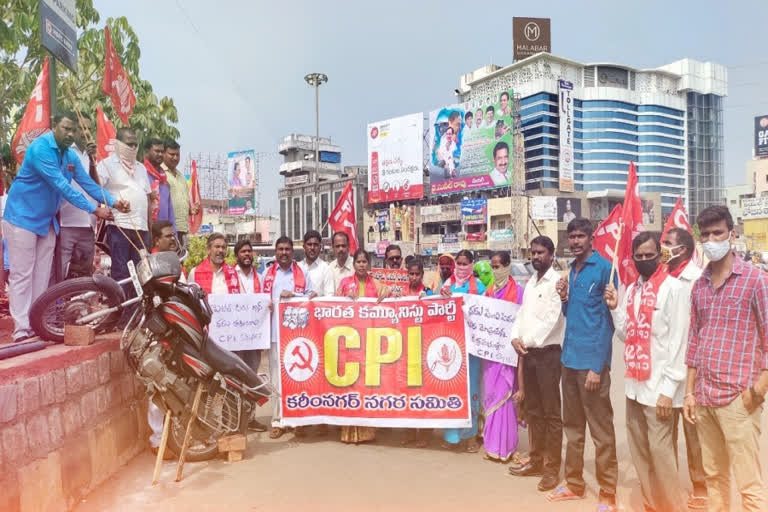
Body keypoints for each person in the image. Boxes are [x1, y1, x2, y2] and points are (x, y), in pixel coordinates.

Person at [3, 112, 127, 342]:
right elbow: (63, 187)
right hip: (22, 217)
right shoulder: (41, 149)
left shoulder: (69, 155)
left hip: (47, 220)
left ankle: (36, 324)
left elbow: (86, 183)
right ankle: (21, 328)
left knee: (42, 275)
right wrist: (95, 210)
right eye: (66, 128)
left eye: (74, 130)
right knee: (22, 274)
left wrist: (113, 201)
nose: (70, 134)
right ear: (53, 127)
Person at [683, 205, 768, 512]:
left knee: (749, 485)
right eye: (705, 234)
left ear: (732, 235)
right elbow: (694, 340)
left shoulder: (755, 280)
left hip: (738, 399)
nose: (711, 240)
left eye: (717, 233)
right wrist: (690, 392)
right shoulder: (699, 286)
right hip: (704, 398)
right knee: (715, 477)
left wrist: (758, 390)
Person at [604, 232, 688, 512]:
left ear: (660, 255)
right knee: (640, 454)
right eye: (637, 256)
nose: (643, 261)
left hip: (659, 389)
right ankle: (652, 505)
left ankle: (672, 507)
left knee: (662, 457)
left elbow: (679, 343)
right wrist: (616, 308)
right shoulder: (632, 290)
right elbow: (626, 334)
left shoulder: (674, 289)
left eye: (648, 256)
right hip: (634, 387)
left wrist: (668, 391)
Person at [549, 218, 618, 511]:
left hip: (591, 363)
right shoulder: (571, 271)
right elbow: (574, 314)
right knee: (573, 428)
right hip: (569, 359)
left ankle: (608, 492)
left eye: (580, 236)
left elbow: (608, 322)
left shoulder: (603, 269)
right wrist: (564, 298)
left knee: (601, 431)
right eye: (571, 236)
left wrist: (597, 365)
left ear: (591, 238)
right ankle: (575, 484)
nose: (575, 241)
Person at [509, 236, 565, 492]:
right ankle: (536, 459)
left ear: (551, 254)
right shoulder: (531, 282)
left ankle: (552, 469)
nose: (536, 257)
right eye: (533, 253)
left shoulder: (557, 282)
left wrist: (527, 341)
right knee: (533, 411)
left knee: (551, 413)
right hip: (529, 353)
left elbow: (553, 319)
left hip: (548, 354)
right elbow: (522, 315)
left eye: (541, 253)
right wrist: (515, 338)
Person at [662, 227, 708, 509]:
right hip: (664, 370)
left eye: (668, 243)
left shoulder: (697, 281)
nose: (663, 247)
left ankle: (700, 485)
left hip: (691, 371)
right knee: (665, 434)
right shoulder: (663, 278)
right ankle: (669, 486)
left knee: (694, 435)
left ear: (684, 250)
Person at [98, 127, 153, 325]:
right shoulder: (106, 165)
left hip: (142, 228)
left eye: (135, 143)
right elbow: (96, 185)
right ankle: (120, 315)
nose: (132, 147)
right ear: (118, 143)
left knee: (141, 272)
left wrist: (150, 229)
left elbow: (147, 198)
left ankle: (136, 315)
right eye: (128, 143)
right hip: (119, 226)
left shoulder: (141, 167)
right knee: (121, 272)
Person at [336, 249, 389, 444]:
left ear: (369, 264)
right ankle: (348, 433)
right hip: (350, 343)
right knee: (349, 385)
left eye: (364, 261)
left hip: (370, 343)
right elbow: (333, 307)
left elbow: (389, 298)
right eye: (358, 261)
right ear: (353, 264)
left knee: (367, 386)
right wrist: (344, 299)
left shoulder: (376, 285)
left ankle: (367, 432)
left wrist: (386, 295)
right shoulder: (344, 284)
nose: (361, 265)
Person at [263, 236, 314, 439]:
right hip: (276, 334)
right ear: (276, 252)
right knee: (276, 378)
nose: (284, 253)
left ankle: (297, 419)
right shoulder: (267, 274)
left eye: (287, 249)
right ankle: (277, 420)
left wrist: (297, 296)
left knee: (298, 377)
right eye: (280, 249)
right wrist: (272, 301)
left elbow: (311, 298)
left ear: (293, 252)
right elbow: (260, 300)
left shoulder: (303, 274)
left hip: (297, 335)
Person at [439, 249, 486, 452]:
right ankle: (451, 437)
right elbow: (432, 306)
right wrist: (436, 296)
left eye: (466, 263)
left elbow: (485, 313)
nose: (461, 267)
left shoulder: (480, 287)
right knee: (451, 390)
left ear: (472, 265)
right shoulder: (446, 285)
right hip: (450, 346)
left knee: (471, 391)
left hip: (471, 348)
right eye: (458, 263)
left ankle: (470, 436)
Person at [482, 250, 524, 463]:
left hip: (508, 355)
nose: (495, 270)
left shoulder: (519, 292)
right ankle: (491, 446)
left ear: (507, 266)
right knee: (491, 397)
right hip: (490, 356)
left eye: (498, 266)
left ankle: (506, 446)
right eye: (493, 267)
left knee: (506, 399)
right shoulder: (488, 293)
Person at [54, 112, 100, 283]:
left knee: (84, 273)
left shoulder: (91, 155)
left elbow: (97, 187)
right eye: (81, 128)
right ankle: (58, 307)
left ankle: (80, 309)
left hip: (88, 223)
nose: (84, 132)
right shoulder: (64, 152)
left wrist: (93, 159)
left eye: (88, 128)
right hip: (67, 221)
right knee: (61, 272)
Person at [162, 140, 197, 245]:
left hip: (183, 228)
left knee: (181, 260)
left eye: (177, 155)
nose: (175, 158)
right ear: (163, 153)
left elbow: (183, 201)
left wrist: (191, 209)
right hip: (167, 229)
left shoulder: (181, 176)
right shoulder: (160, 173)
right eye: (171, 154)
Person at [144, 137, 176, 233]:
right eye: (157, 151)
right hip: (146, 230)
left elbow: (170, 212)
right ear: (147, 151)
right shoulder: (141, 174)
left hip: (163, 234)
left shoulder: (164, 180)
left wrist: (173, 233)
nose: (160, 154)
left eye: (162, 152)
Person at [299, 230, 334, 297]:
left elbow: (330, 296)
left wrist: (317, 298)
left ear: (320, 247)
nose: (312, 248)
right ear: (304, 247)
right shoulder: (298, 267)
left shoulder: (325, 268)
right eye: (309, 244)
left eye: (315, 245)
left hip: (318, 307)